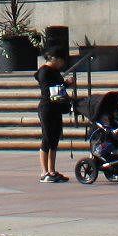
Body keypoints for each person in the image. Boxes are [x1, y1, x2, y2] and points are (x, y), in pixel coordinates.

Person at [34, 48, 71, 184]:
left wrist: (65, 86)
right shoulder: (44, 71)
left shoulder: (54, 71)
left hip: (56, 107)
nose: (62, 64)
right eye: (61, 60)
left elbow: (57, 89)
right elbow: (50, 91)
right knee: (47, 138)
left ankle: (52, 170)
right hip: (47, 108)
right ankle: (44, 172)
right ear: (55, 59)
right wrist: (65, 84)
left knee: (54, 139)